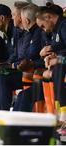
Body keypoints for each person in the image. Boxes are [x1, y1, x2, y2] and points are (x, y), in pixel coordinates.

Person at [36, 3, 66, 135]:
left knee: (58, 67)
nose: (43, 30)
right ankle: (58, 117)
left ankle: (63, 118)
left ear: (48, 17)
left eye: (43, 26)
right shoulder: (55, 30)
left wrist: (54, 54)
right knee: (50, 72)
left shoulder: (64, 25)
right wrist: (52, 55)